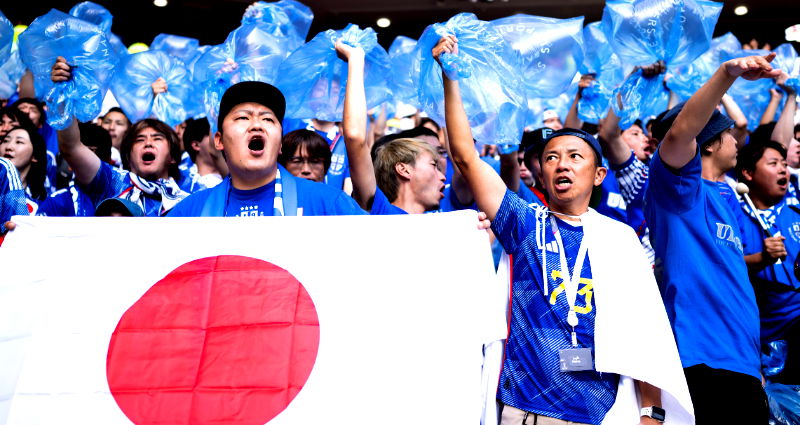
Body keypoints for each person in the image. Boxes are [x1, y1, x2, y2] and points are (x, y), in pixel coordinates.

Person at [437, 36, 692, 425]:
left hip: (599, 413)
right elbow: (465, 156)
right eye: (552, 158)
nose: (561, 165)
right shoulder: (523, 222)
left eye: (575, 157)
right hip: (523, 412)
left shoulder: (618, 239)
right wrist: (450, 78)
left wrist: (651, 414)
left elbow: (644, 329)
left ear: (599, 175)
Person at [643, 52, 781, 423]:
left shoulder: (727, 196)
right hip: (701, 361)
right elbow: (678, 134)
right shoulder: (678, 190)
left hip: (744, 364)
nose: (737, 140)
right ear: (707, 144)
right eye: (727, 134)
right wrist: (727, 73)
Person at [167, 80, 365, 217]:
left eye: (268, 119)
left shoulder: (329, 204)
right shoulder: (189, 213)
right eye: (243, 117)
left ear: (280, 144)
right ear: (218, 141)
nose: (256, 125)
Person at [336, 41, 471, 215]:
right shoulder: (381, 212)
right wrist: (355, 60)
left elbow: (465, 157)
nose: (444, 176)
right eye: (434, 165)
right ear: (404, 169)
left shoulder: (446, 226)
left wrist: (449, 72)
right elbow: (355, 138)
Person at [52, 54, 188, 216]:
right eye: (140, 139)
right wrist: (63, 91)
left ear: (172, 156)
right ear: (128, 157)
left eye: (157, 138)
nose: (148, 143)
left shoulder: (191, 201)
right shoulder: (112, 182)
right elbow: (71, 147)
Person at [735, 141, 800, 385]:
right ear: (748, 174)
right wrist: (762, 258)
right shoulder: (734, 217)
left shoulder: (796, 211)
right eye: (773, 164)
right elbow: (727, 269)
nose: (783, 169)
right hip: (767, 339)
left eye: (784, 164)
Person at [0, 124, 48, 214]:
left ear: (35, 156)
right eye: (5, 141)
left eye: (19, 142)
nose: (9, 147)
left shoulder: (39, 205)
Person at [178, 118, 224, 193]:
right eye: (214, 136)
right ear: (196, 145)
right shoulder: (190, 189)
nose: (220, 141)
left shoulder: (234, 176)